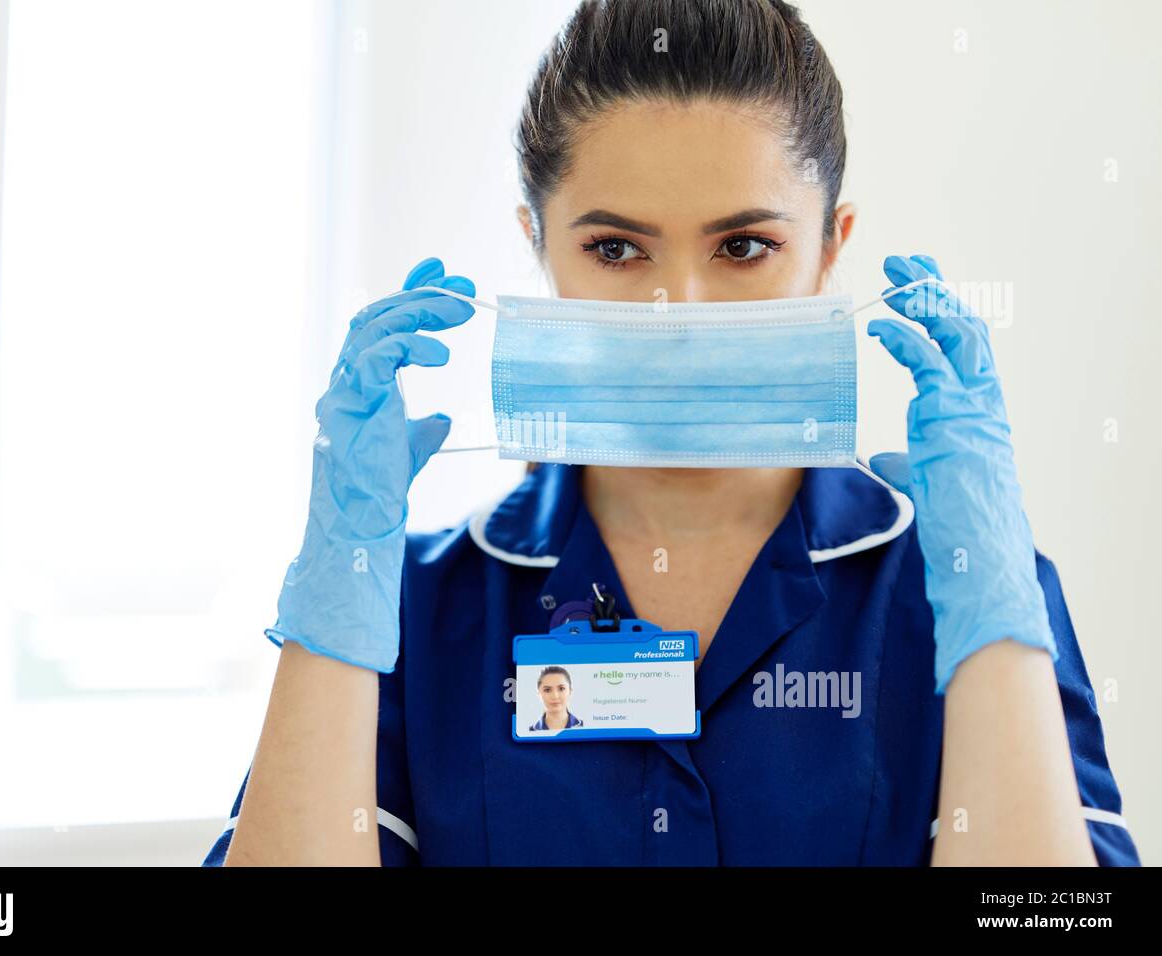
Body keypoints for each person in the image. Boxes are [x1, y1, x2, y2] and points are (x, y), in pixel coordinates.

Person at [205, 0, 1139, 866]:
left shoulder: (964, 587)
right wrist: (331, 619)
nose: (675, 310)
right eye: (615, 249)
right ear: (539, 247)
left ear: (828, 251)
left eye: (743, 248)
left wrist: (992, 627)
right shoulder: (410, 607)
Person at [528, 666, 584, 732]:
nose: (555, 696)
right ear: (539, 694)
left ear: (570, 692)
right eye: (547, 690)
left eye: (561, 689)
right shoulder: (530, 732)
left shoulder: (584, 727)